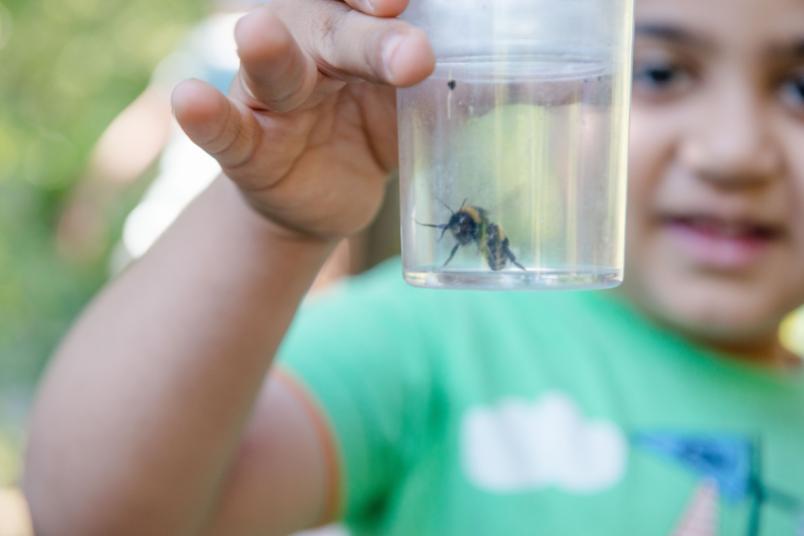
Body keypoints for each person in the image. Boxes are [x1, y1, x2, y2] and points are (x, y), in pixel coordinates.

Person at [22, 0, 804, 534]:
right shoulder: (437, 339)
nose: (734, 150)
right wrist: (273, 227)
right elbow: (101, 514)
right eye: (661, 73)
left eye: (799, 88)